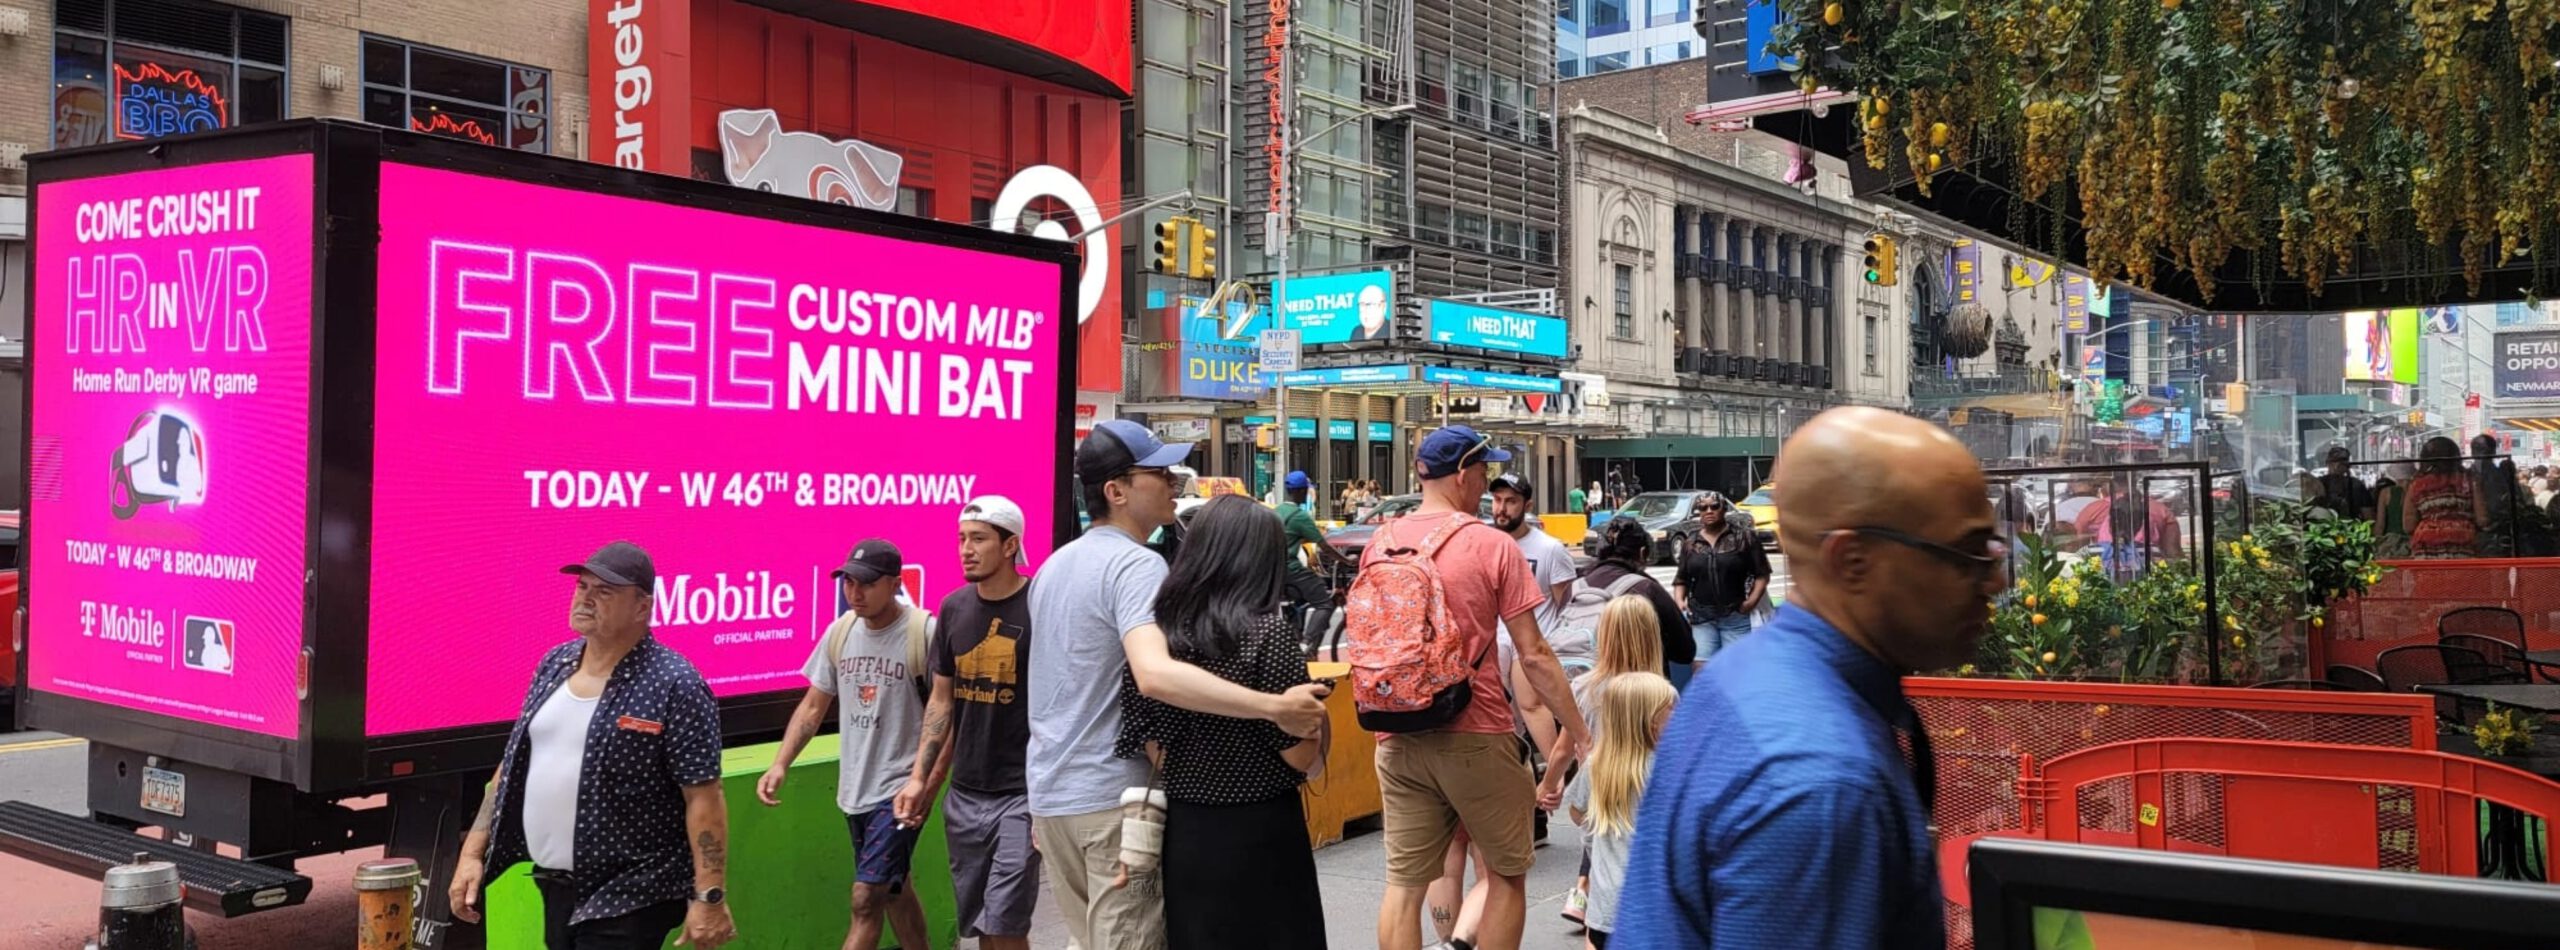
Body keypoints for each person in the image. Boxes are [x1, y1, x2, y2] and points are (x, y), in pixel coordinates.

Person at [1615, 407, 2004, 949]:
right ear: (1853, 561)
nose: (1996, 578)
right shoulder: (1821, 782)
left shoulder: (1741, 675)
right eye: (1968, 553)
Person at [1028, 419, 1331, 950]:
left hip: (1055, 798)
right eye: (1158, 473)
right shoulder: (1137, 567)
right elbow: (1153, 676)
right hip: (1115, 800)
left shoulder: (1053, 567)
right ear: (1115, 491)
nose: (1173, 483)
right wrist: (1274, 709)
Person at [1366, 425, 1589, 950]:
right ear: (1463, 473)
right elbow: (1533, 654)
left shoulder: (1381, 540)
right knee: (1506, 874)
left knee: (1404, 885)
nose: (1487, 485)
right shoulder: (1491, 545)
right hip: (1476, 730)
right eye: (1485, 471)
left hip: (1394, 733)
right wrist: (1579, 732)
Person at [451, 542, 736, 950]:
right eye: (583, 587)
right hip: (555, 885)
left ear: (642, 607)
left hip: (633, 892)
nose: (586, 598)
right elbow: (512, 766)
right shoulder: (554, 664)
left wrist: (709, 896)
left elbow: (704, 797)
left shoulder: (676, 684)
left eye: (604, 591)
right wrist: (472, 854)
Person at [1113, 495, 1330, 949]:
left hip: (1187, 826)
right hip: (1262, 827)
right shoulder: (1266, 632)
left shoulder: (1156, 636)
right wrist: (1316, 724)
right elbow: (1298, 752)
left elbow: (1149, 739)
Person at [758, 539, 936, 950]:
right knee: (893, 887)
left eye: (867, 584)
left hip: (899, 790)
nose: (854, 592)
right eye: (849, 582)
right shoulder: (841, 632)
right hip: (855, 786)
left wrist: (924, 779)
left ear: (894, 584)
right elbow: (813, 705)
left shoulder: (922, 633)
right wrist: (780, 763)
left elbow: (946, 708)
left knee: (865, 897)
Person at [894, 497, 1038, 950]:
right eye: (961, 539)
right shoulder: (953, 608)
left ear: (1010, 544)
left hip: (1022, 793)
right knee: (978, 926)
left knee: (1005, 923)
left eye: (978, 538)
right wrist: (920, 780)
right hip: (966, 794)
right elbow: (941, 702)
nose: (966, 549)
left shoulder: (1039, 604)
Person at [1557, 595, 1665, 928]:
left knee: (1601, 850)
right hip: (1646, 791)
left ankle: (1586, 898)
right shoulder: (1661, 694)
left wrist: (1550, 784)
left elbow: (1563, 747)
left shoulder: (1583, 687)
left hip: (1598, 786)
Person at [1562, 674, 1679, 950]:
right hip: (1657, 907)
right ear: (1652, 724)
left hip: (1607, 909)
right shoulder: (1670, 768)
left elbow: (1577, 813)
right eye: (1672, 710)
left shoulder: (1597, 765)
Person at [1673, 491, 1771, 682]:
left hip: (1735, 615)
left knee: (1738, 673)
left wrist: (1751, 602)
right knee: (1701, 674)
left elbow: (1762, 574)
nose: (1708, 511)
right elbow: (1681, 579)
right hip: (1701, 617)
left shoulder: (1744, 538)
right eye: (1703, 508)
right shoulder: (1690, 542)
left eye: (1714, 506)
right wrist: (1679, 601)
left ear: (1724, 509)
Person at [1280, 470, 1359, 643]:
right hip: (1292, 569)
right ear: (1301, 491)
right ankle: (1307, 645)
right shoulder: (1300, 516)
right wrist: (1346, 560)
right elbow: (1324, 546)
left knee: (1299, 602)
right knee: (1324, 603)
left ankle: (1296, 636)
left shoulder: (1276, 512)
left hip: (1274, 572)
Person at [2407, 436, 2486, 559]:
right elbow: (2482, 519)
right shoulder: (2469, 479)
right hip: (2461, 544)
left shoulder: (2417, 483)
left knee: (2429, 578)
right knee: (2461, 578)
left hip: (2426, 547)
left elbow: (2408, 525)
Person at [2313, 446, 2376, 520]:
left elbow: (2368, 515)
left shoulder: (2357, 486)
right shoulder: (2318, 484)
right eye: (2334, 463)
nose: (2336, 467)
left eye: (2340, 464)